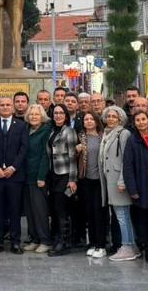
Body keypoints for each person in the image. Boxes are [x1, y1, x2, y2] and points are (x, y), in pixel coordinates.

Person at [0, 97, 27, 254]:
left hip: (15, 176)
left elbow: (23, 148)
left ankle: (15, 242)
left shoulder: (21, 125)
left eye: (8, 105)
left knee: (15, 210)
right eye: (2, 105)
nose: (5, 107)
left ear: (13, 108)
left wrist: (13, 167)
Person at [124, 109, 148, 264]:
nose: (141, 122)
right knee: (144, 219)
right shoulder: (132, 141)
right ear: (134, 123)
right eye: (138, 120)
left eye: (143, 119)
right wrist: (132, 189)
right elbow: (128, 166)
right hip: (141, 184)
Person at [99, 105, 136, 261]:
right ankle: (131, 245)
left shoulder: (123, 133)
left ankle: (127, 246)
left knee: (122, 214)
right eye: (108, 116)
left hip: (118, 180)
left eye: (114, 116)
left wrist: (122, 180)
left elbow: (126, 159)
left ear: (120, 119)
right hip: (109, 179)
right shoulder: (106, 133)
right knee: (121, 214)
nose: (111, 119)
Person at [45, 104, 78, 257]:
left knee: (62, 210)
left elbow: (73, 156)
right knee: (55, 209)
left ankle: (64, 243)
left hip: (65, 175)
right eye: (56, 113)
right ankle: (58, 239)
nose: (58, 115)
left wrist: (73, 179)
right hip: (53, 175)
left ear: (66, 116)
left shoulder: (69, 131)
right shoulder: (53, 131)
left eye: (61, 113)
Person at [22, 104, 52, 253]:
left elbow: (45, 155)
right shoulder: (26, 129)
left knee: (40, 211)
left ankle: (45, 241)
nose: (33, 117)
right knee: (30, 211)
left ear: (42, 116)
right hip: (26, 176)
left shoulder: (46, 131)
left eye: (37, 114)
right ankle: (35, 239)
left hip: (38, 177)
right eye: (31, 114)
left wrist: (41, 176)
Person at [77, 110, 108, 258]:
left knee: (99, 212)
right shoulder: (80, 137)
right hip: (85, 179)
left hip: (100, 180)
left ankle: (101, 245)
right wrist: (77, 151)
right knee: (89, 212)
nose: (88, 121)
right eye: (86, 119)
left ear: (96, 121)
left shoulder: (104, 137)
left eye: (91, 119)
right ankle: (93, 243)